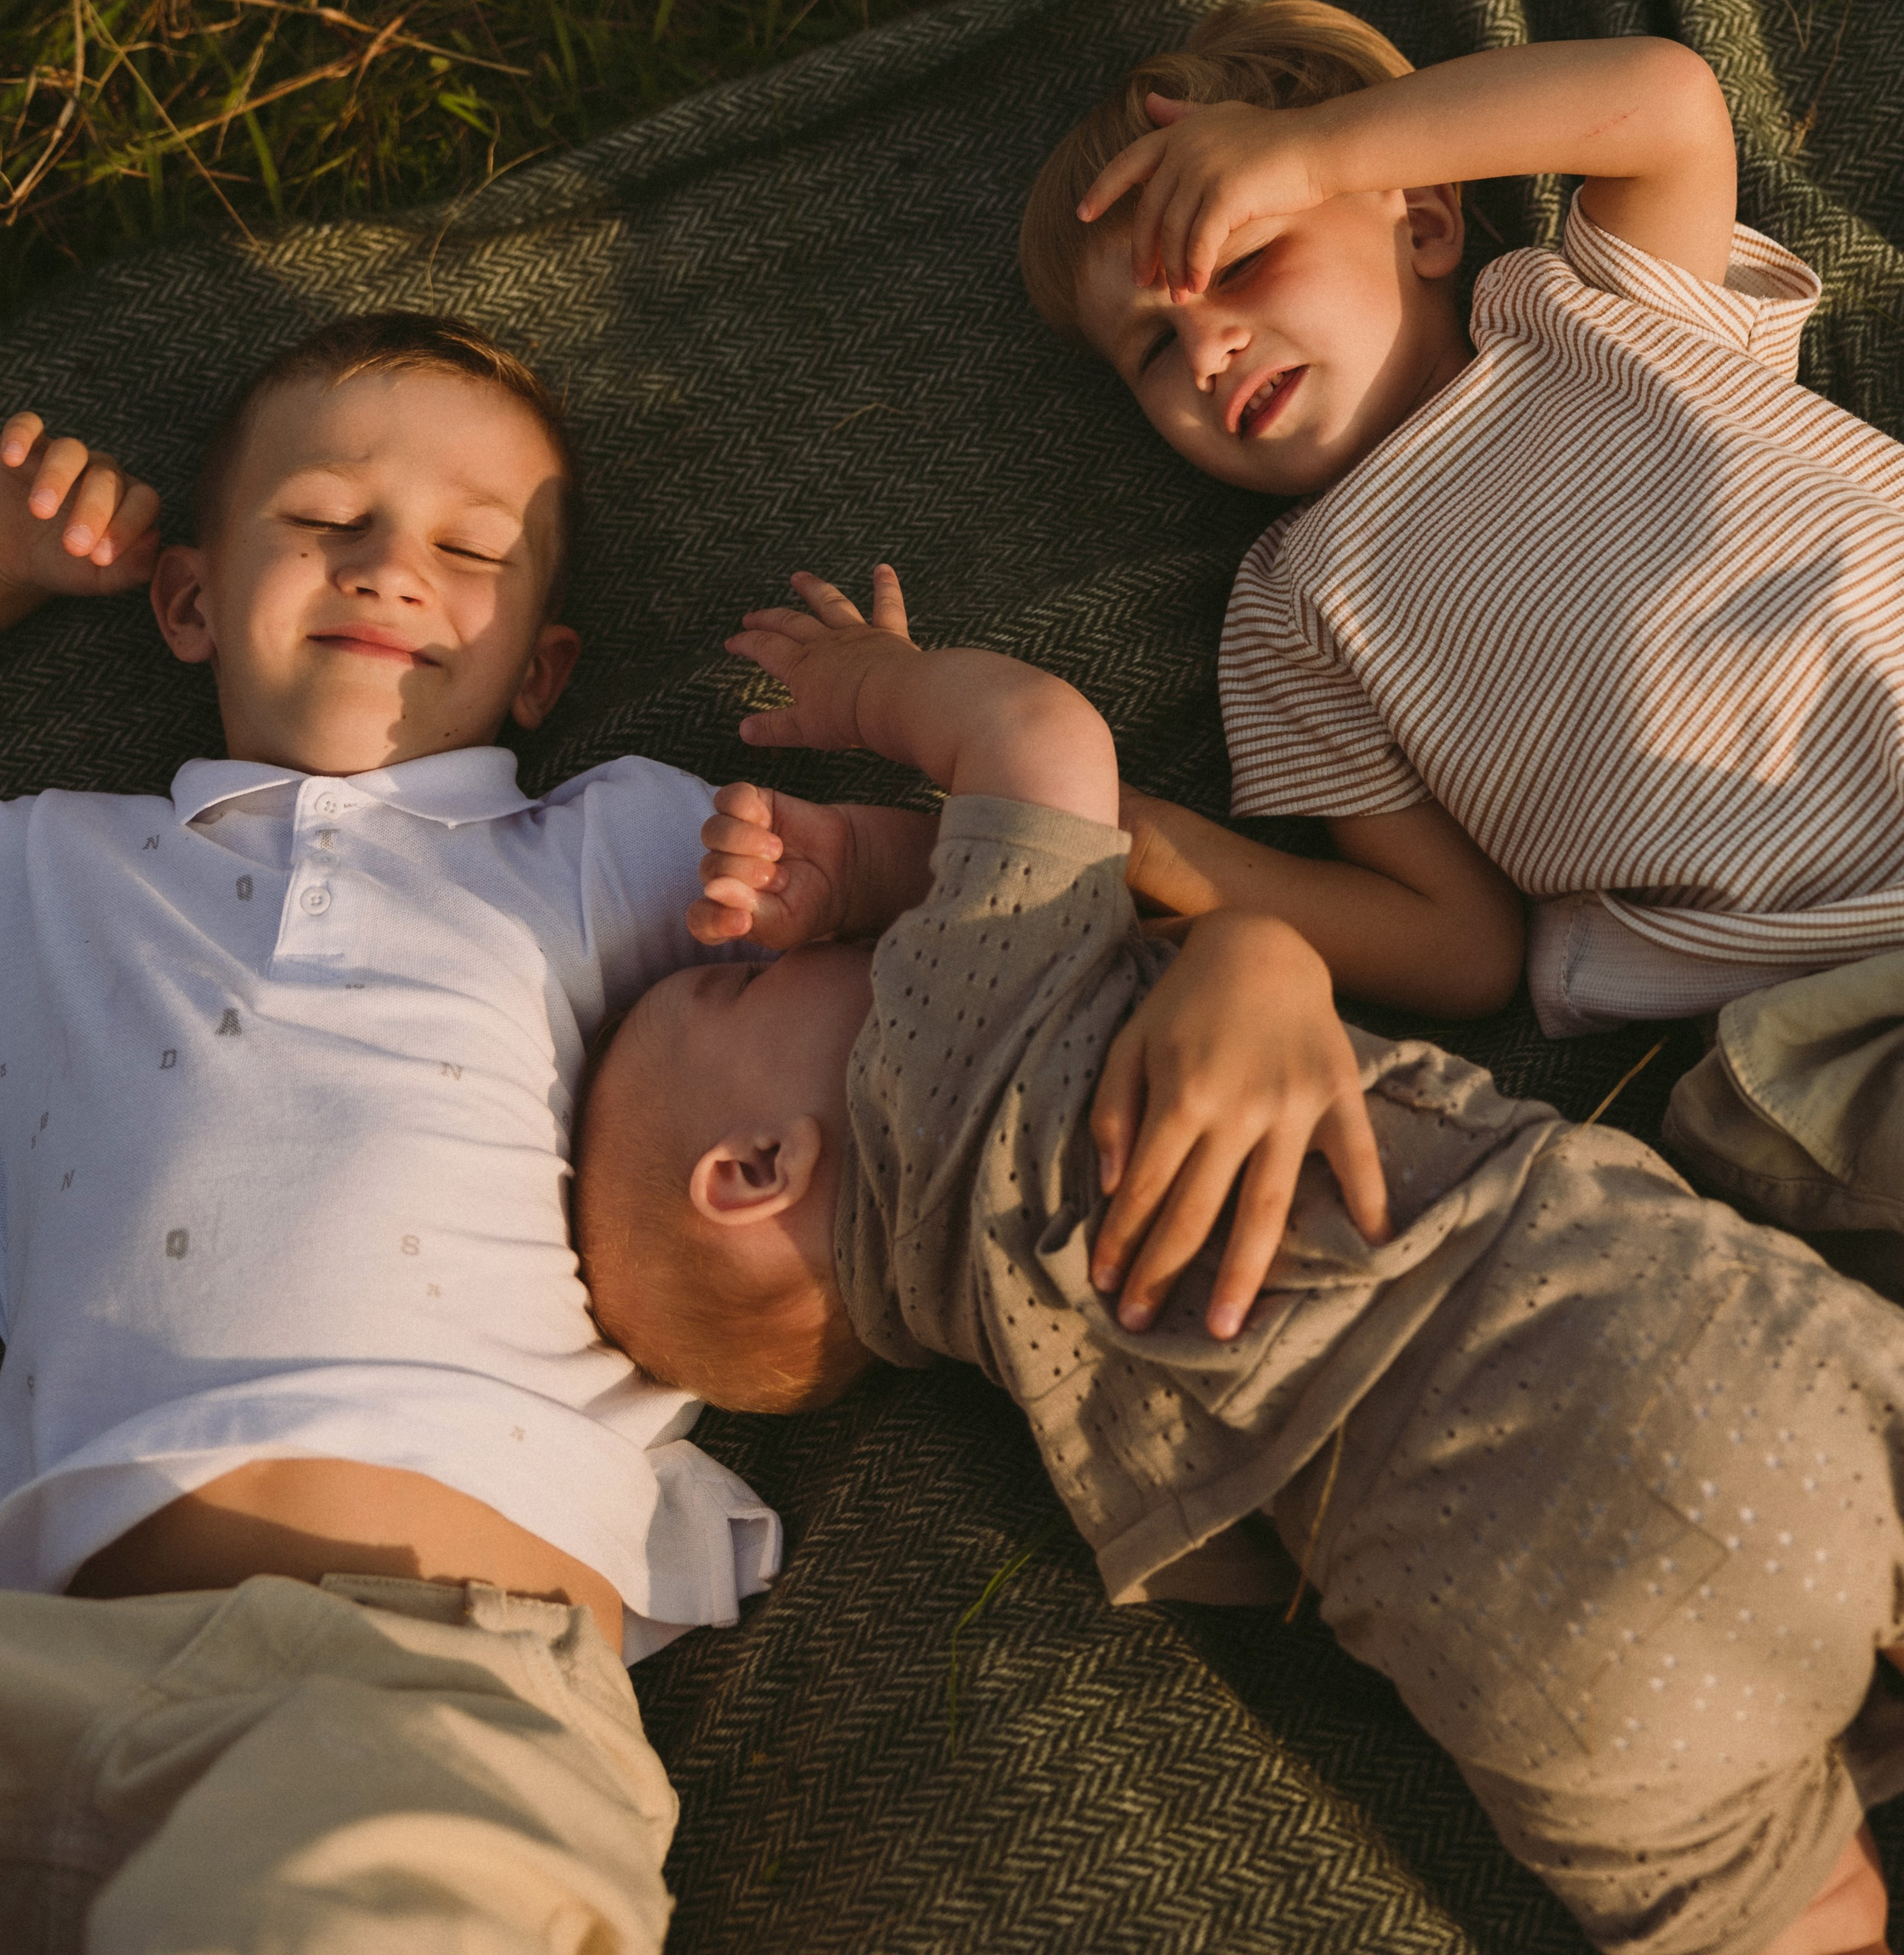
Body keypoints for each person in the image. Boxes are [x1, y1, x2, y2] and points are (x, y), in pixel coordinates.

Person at [0, 308, 1344, 1950]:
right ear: (191, 595)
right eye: (326, 520)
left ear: (542, 671)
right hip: (46, 1652)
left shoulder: (606, 843)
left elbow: (1006, 932)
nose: (390, 570)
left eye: (468, 549)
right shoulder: (48, 870)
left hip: (414, 1677)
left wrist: (1245, 954)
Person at [576, 567, 1904, 1955]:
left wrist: (869, 870)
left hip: (1514, 1627)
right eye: (732, 981)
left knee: (1805, 1918)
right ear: (756, 1169)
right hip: (1637, 1324)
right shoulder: (940, 1038)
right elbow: (1039, 738)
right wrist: (867, 688)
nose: (772, 948)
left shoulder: (987, 1341)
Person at [1013, 0, 1904, 1041]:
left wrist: (1319, 153)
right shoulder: (1290, 613)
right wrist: (1129, 830)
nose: (1205, 352)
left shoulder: (1591, 316)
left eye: (1239, 263)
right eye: (1152, 350)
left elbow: (1668, 104)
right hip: (1855, 996)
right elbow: (1458, 948)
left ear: (1420, 220)